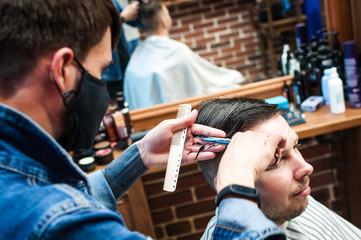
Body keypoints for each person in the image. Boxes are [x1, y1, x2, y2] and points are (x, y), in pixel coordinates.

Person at [0, 0, 287, 239]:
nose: (102, 87)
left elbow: (78, 192)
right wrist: (236, 184)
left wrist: (140, 155)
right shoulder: (60, 222)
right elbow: (60, 213)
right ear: (62, 70)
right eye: (100, 70)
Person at [193, 97, 361, 239]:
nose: (306, 167)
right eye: (275, 161)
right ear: (232, 182)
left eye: (295, 146)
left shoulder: (293, 203)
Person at [123, 1, 245, 110]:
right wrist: (234, 77)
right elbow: (206, 80)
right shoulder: (178, 51)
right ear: (164, 21)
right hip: (180, 115)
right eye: (167, 14)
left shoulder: (136, 57)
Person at [102, 0, 143, 99]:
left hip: (124, 67)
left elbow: (136, 21)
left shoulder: (111, 2)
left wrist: (142, 5)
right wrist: (122, 17)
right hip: (109, 75)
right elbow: (97, 33)